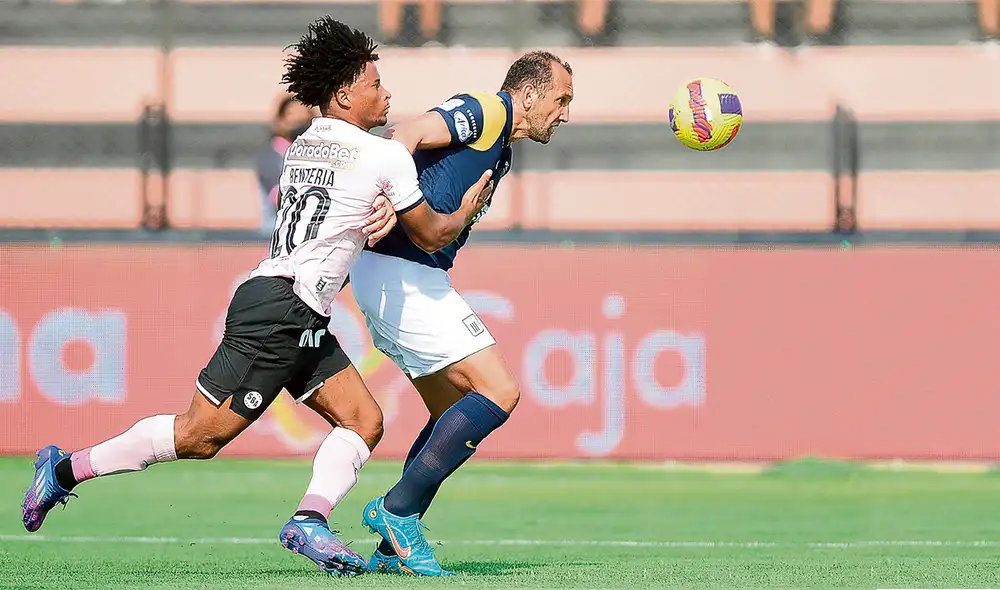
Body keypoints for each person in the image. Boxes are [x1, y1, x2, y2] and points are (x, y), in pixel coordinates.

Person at [21, 16, 493, 577]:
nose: (385, 93)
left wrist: (384, 214)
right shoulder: (381, 156)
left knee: (364, 420)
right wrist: (471, 203)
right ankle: (65, 469)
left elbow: (344, 212)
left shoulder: (306, 145)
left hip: (293, 306)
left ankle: (309, 520)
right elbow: (434, 233)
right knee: (200, 436)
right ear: (343, 95)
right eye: (374, 83)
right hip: (282, 311)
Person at [350, 50, 574, 576]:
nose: (565, 113)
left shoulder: (500, 146)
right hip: (402, 273)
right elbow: (404, 134)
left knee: (448, 411)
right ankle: (397, 511)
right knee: (499, 391)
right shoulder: (486, 111)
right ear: (530, 93)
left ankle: (393, 548)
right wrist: (390, 196)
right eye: (561, 99)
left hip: (398, 275)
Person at [255, 95, 315, 234]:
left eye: (304, 118)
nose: (299, 122)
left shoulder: (315, 154)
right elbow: (278, 197)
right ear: (281, 120)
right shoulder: (271, 156)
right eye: (292, 116)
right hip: (277, 233)